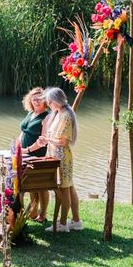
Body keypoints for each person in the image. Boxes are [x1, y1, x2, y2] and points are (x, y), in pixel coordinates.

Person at [37, 87, 83, 233]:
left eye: (50, 101)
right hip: (57, 156)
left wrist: (47, 139)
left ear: (57, 101)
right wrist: (47, 139)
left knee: (64, 190)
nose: (48, 104)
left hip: (62, 158)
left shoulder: (66, 116)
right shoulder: (58, 113)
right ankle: (76, 221)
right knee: (69, 187)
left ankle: (62, 224)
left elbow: (63, 141)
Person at [19, 87, 50, 223]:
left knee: (41, 185)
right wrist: (18, 146)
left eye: (39, 98)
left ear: (45, 100)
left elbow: (43, 140)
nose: (36, 101)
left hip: (38, 155)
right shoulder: (31, 113)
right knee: (30, 184)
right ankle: (33, 211)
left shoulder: (47, 116)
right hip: (24, 153)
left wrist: (28, 150)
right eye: (34, 98)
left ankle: (42, 214)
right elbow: (23, 131)